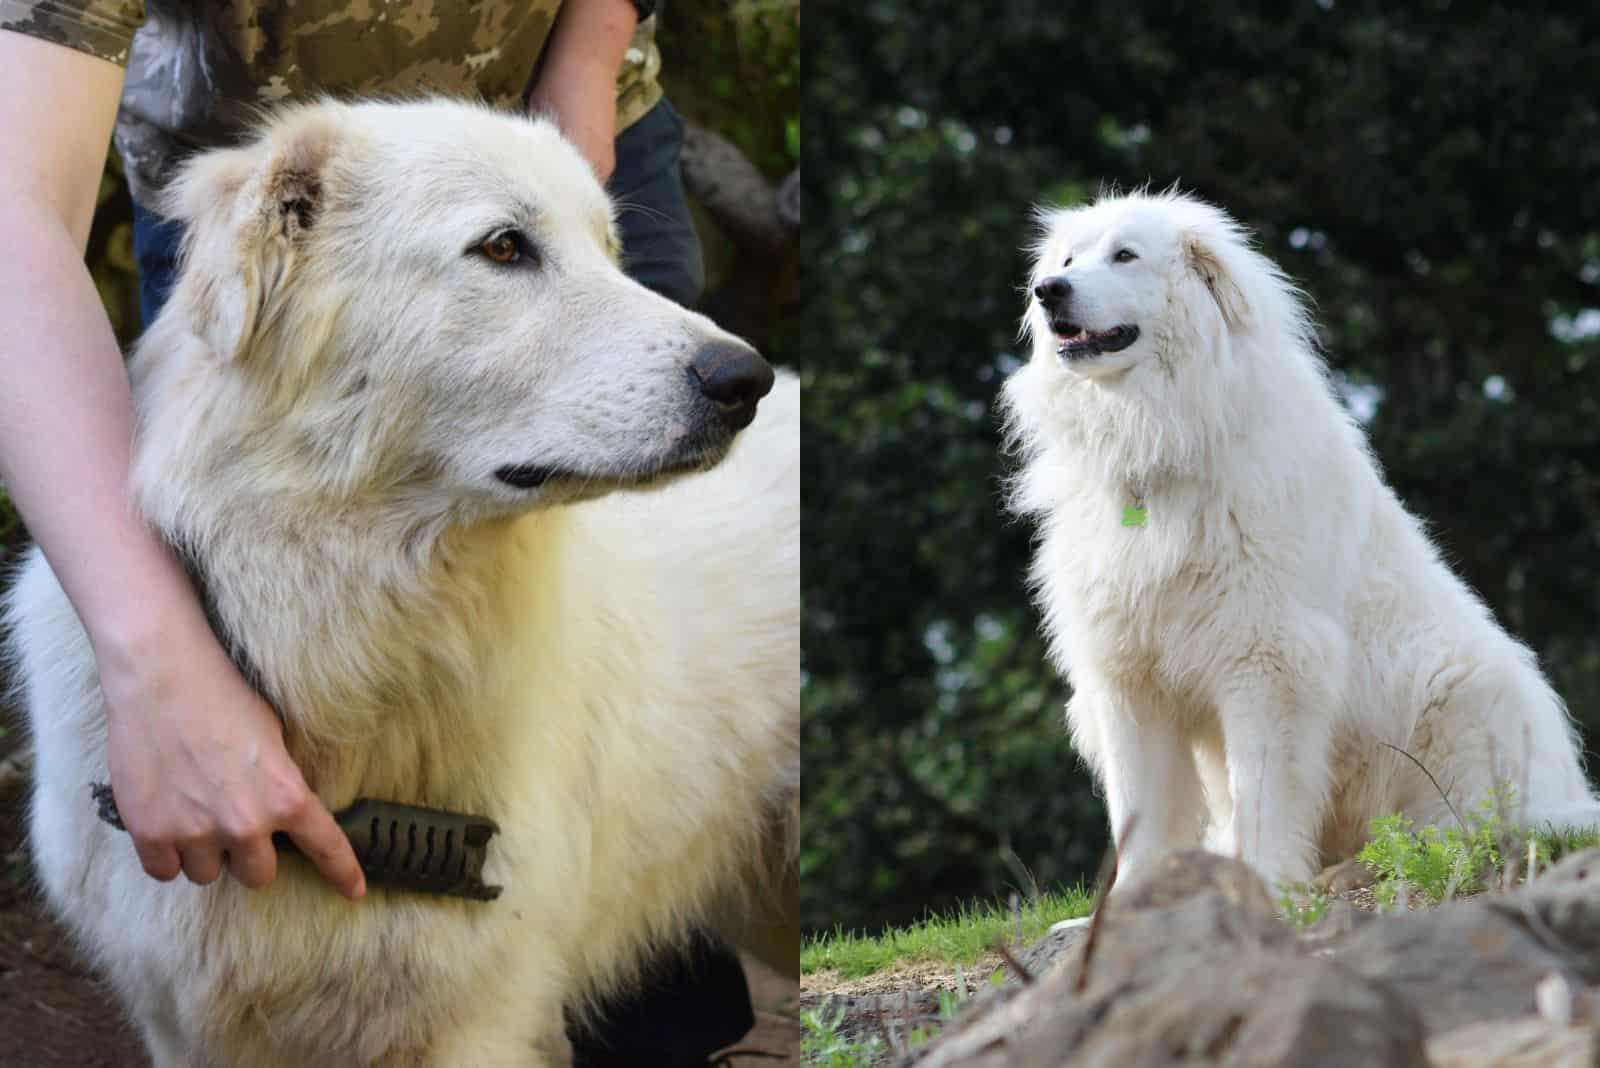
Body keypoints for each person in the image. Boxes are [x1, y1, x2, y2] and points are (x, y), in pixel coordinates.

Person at [0, 3, 748, 1062]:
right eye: (506, 255)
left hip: (545, 142)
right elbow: (8, 209)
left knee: (602, 917)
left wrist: (582, 72)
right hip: (281, 181)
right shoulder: (273, 250)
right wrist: (149, 665)